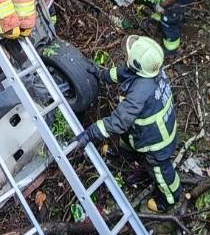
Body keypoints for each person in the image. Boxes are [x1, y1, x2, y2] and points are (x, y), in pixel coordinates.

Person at [72, 36, 182, 209]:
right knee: (125, 143)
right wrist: (101, 73)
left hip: (156, 141)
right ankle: (120, 158)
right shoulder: (150, 70)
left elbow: (119, 122)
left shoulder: (140, 92)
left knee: (160, 171)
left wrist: (90, 132)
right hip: (140, 131)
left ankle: (170, 198)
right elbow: (122, 73)